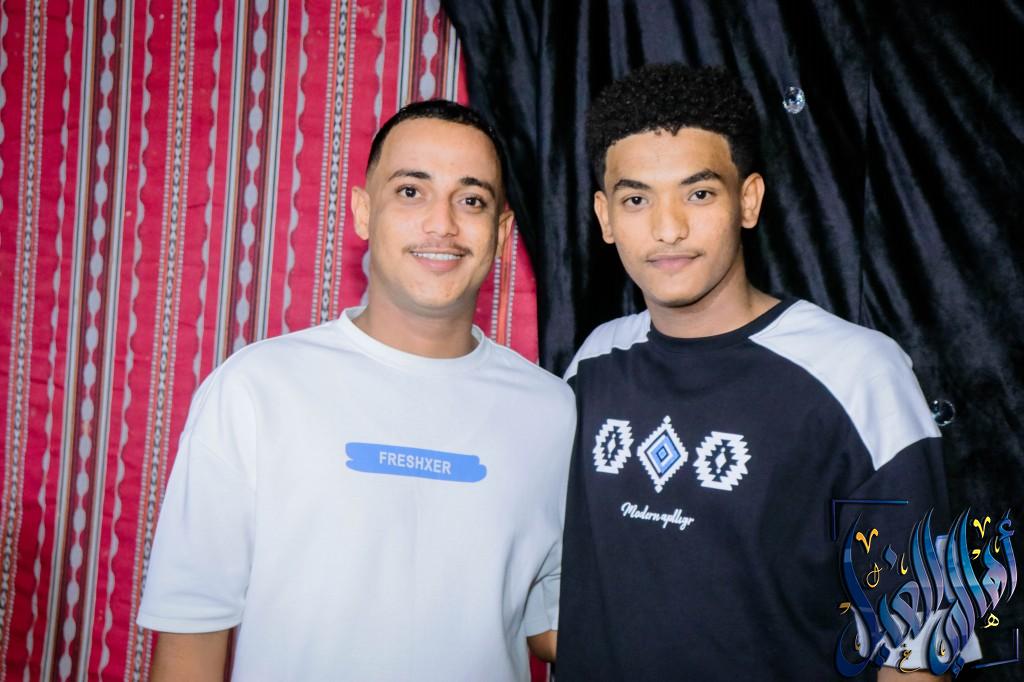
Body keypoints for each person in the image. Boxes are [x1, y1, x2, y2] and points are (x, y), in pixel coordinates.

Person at [556, 64, 977, 680]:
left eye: (699, 194)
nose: (668, 228)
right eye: (637, 199)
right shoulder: (593, 364)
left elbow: (919, 649)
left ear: (747, 201)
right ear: (605, 217)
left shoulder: (858, 373)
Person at [137, 100, 573, 681]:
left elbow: (553, 624)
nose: (442, 224)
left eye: (471, 200)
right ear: (364, 212)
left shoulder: (553, 412)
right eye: (411, 192)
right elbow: (191, 637)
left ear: (501, 232)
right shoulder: (256, 390)